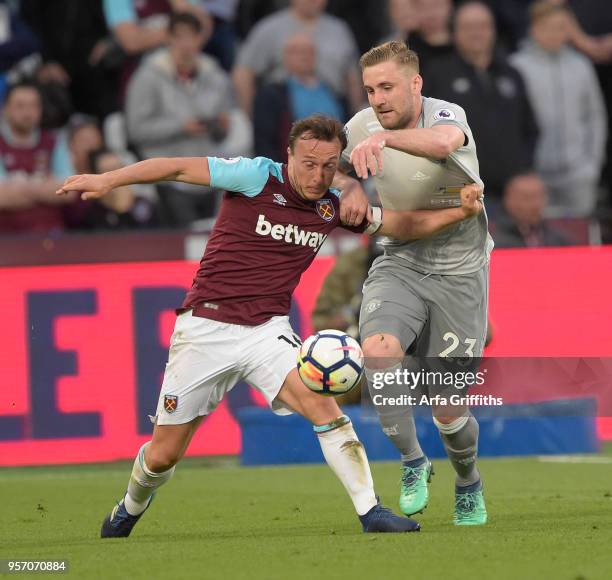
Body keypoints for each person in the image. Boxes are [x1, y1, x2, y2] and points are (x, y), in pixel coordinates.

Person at [57, 114, 483, 538]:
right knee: (163, 456)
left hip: (267, 332)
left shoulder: (332, 206)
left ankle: (371, 512)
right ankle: (130, 506)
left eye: (329, 166)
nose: (318, 176)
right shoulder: (254, 176)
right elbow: (175, 166)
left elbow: (400, 224)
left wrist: (457, 212)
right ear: (289, 156)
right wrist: (108, 180)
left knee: (325, 407)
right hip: (205, 326)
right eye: (308, 164)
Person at [335, 41, 492, 526]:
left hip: (461, 270)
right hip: (400, 259)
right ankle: (412, 463)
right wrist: (352, 187)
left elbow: (444, 144)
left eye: (387, 87)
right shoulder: (360, 126)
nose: (377, 99)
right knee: (379, 351)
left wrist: (382, 141)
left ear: (415, 84)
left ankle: (467, 480)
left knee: (448, 408)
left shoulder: (446, 114)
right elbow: (339, 171)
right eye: (369, 90)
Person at [126, 11, 251, 225]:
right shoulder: (147, 76)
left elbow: (224, 128)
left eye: (192, 36)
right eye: (180, 36)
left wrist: (221, 125)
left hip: (209, 174)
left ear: (200, 39)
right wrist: (181, 127)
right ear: (169, 38)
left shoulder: (214, 74)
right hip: (168, 177)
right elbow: (136, 130)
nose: (186, 43)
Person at [423, 1, 538, 208]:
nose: (476, 33)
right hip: (458, 194)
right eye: (468, 27)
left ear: (493, 30)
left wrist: (524, 171)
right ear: (454, 32)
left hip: (512, 194)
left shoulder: (512, 74)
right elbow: (424, 132)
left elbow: (530, 129)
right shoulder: (437, 74)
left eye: (483, 26)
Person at [509, 1, 607, 218]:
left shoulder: (581, 65)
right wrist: (524, 170)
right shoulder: (517, 66)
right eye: (548, 26)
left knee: (579, 238)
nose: (555, 33)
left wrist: (592, 164)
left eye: (561, 27)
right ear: (534, 28)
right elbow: (512, 124)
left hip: (578, 173)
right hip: (536, 176)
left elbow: (595, 117)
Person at [232, 0, 363, 118]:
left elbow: (352, 77)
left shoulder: (339, 30)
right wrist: (247, 118)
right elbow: (243, 72)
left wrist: (357, 115)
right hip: (283, 111)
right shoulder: (269, 28)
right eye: (296, 52)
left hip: (332, 105)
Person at [253, 32, 344, 162]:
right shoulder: (271, 95)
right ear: (285, 57)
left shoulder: (332, 90)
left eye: (309, 51)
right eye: (297, 51)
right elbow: (265, 143)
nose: (304, 56)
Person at [0, 81, 75, 233]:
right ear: (5, 109)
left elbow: (71, 191)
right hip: (6, 241)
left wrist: (20, 185)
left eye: (34, 106)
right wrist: (45, 185)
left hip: (53, 237)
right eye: (20, 106)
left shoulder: (54, 141)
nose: (27, 113)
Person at [493, 172, 572, 248]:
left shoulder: (559, 241)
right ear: (509, 200)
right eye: (527, 198)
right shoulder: (493, 243)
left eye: (540, 197)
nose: (535, 205)